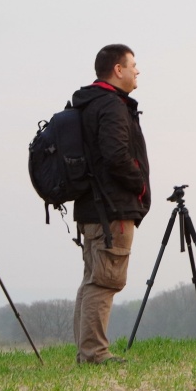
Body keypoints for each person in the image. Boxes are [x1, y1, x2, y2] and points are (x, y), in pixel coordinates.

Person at [72, 44, 151, 364]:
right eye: (133, 65)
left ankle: (86, 351)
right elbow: (116, 156)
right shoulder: (112, 105)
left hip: (92, 206)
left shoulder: (87, 103)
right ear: (118, 70)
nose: (137, 71)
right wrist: (141, 186)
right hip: (112, 208)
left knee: (93, 278)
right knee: (106, 281)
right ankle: (94, 354)